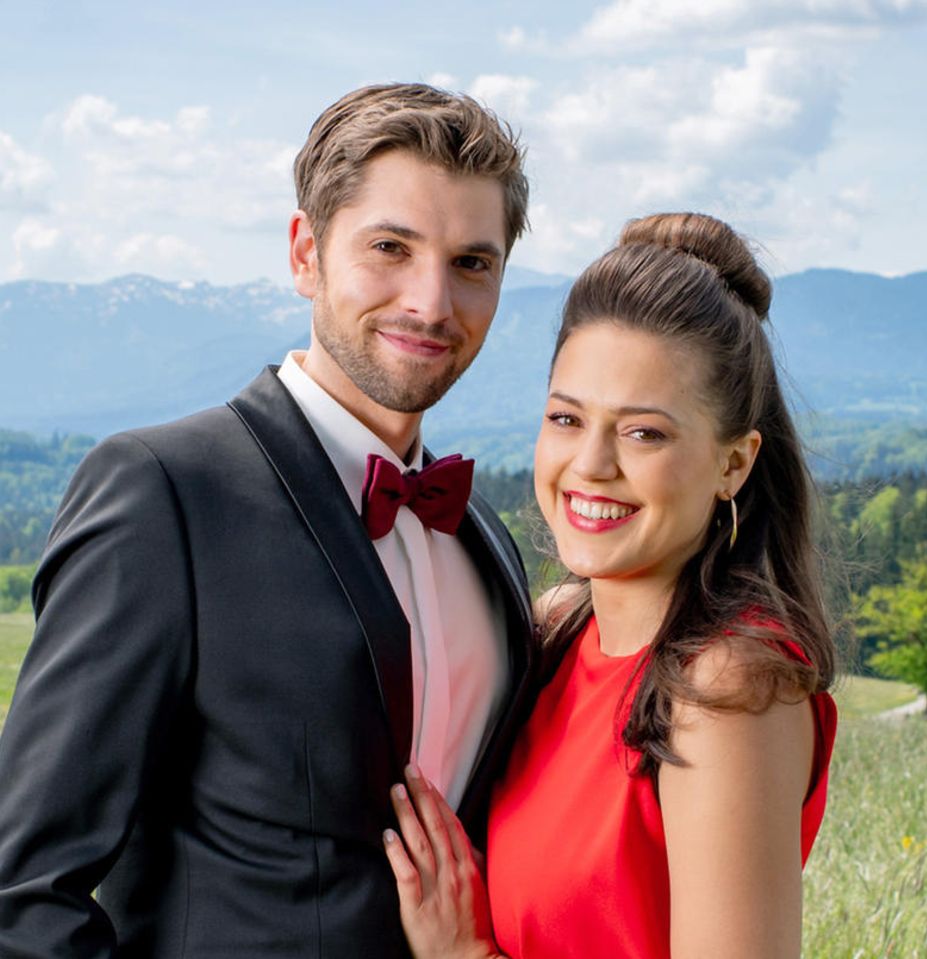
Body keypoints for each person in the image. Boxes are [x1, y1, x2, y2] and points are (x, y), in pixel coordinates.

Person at [0, 83, 538, 958]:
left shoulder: (484, 534)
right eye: (391, 248)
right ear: (305, 253)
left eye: (472, 263)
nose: (432, 303)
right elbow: (21, 895)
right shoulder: (161, 493)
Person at [382, 212, 838, 959]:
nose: (590, 464)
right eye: (566, 417)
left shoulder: (724, 691)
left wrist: (466, 956)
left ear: (734, 462)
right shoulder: (559, 632)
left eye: (643, 432)